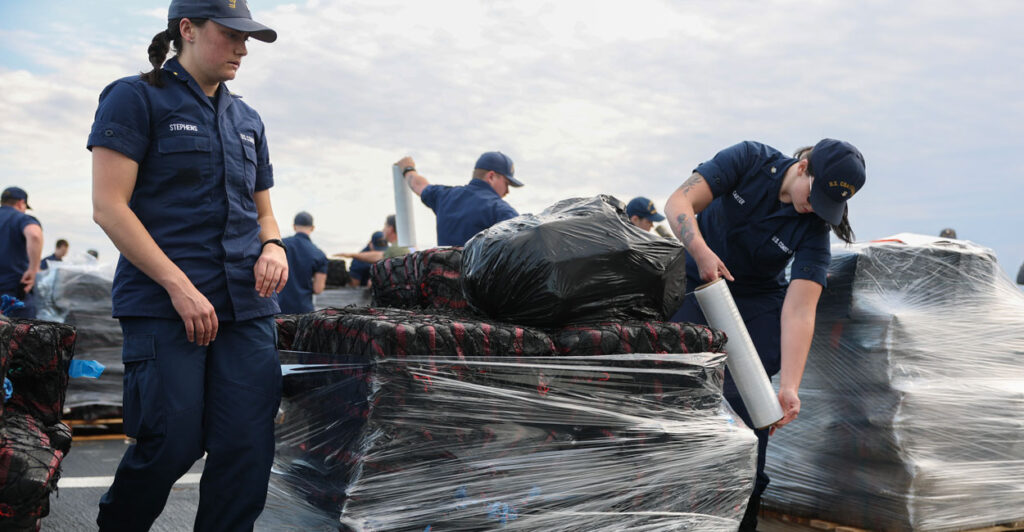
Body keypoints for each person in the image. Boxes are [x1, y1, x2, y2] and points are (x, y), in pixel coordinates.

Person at [87, 1, 286, 530]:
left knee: (247, 448)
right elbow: (109, 206)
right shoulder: (135, 98)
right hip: (163, 304)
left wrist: (274, 247)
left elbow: (264, 210)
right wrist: (178, 285)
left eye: (249, 39)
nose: (244, 49)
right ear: (188, 29)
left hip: (246, 308)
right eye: (232, 35)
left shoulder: (247, 118)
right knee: (171, 442)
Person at [664, 139, 866, 531]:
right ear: (804, 167)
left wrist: (790, 385)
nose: (815, 208)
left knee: (749, 398)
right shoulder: (750, 160)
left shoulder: (812, 228)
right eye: (816, 194)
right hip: (698, 276)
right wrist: (702, 253)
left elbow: (801, 308)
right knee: (677, 379)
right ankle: (670, 490)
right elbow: (678, 203)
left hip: (756, 297)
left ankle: (743, 499)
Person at [398, 151, 522, 246]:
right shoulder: (501, 210)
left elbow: (417, 185)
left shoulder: (444, 196)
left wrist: (408, 169)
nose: (507, 191)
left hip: (442, 277)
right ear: (491, 176)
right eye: (506, 183)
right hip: (482, 279)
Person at [0, 186, 43, 318]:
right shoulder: (21, 219)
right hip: (12, 294)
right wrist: (34, 269)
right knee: (19, 336)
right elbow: (34, 235)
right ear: (20, 203)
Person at [278, 212, 328, 313]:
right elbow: (318, 289)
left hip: (277, 307)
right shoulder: (319, 254)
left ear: (294, 226)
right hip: (303, 311)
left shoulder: (279, 245)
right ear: (312, 228)